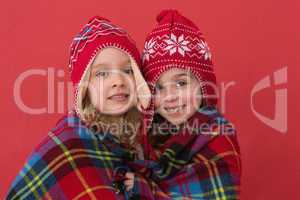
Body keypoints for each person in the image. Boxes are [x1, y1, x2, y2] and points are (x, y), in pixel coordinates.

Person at [6, 16, 165, 200]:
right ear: (84, 88)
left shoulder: (139, 141)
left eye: (127, 70)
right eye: (102, 73)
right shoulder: (71, 145)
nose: (118, 81)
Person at [133, 10, 242, 199]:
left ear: (203, 86)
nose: (170, 97)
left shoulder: (217, 136)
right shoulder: (148, 136)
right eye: (158, 88)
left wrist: (144, 189)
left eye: (181, 83)